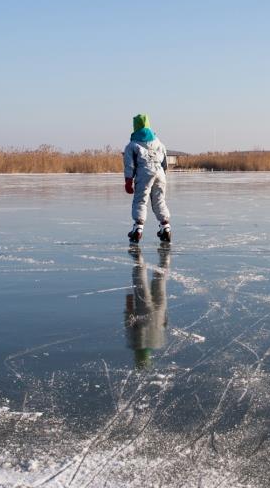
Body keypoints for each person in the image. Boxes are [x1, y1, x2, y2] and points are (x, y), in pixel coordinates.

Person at [123, 114, 171, 243]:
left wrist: (128, 180)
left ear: (135, 127)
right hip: (160, 173)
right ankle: (165, 227)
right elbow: (165, 162)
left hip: (144, 173)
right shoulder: (159, 142)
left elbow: (129, 165)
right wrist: (163, 175)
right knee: (159, 200)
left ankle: (138, 229)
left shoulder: (132, 145)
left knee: (140, 200)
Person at [124, 244, 170, 369]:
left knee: (160, 280)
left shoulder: (158, 343)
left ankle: (165, 256)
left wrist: (164, 313)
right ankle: (138, 257)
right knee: (140, 281)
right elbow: (130, 319)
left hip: (160, 311)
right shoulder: (135, 342)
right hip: (144, 310)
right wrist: (129, 295)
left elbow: (165, 323)